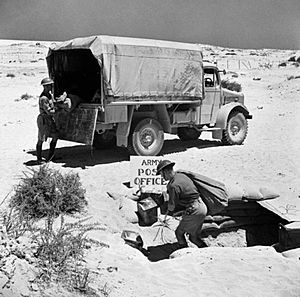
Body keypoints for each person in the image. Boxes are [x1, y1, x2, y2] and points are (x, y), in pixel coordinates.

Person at [156, 160, 208, 248]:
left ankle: (184, 252)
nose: (161, 177)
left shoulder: (174, 185)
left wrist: (166, 210)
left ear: (166, 172)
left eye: (161, 174)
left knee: (179, 233)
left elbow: (172, 207)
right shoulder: (181, 175)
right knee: (193, 237)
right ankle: (207, 251)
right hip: (202, 207)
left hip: (194, 210)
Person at [36, 77, 59, 164]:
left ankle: (51, 156)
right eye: (49, 86)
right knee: (41, 138)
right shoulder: (44, 98)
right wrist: (57, 110)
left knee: (55, 136)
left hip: (49, 119)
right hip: (44, 120)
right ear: (45, 87)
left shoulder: (50, 96)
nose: (51, 87)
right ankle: (39, 159)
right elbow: (49, 111)